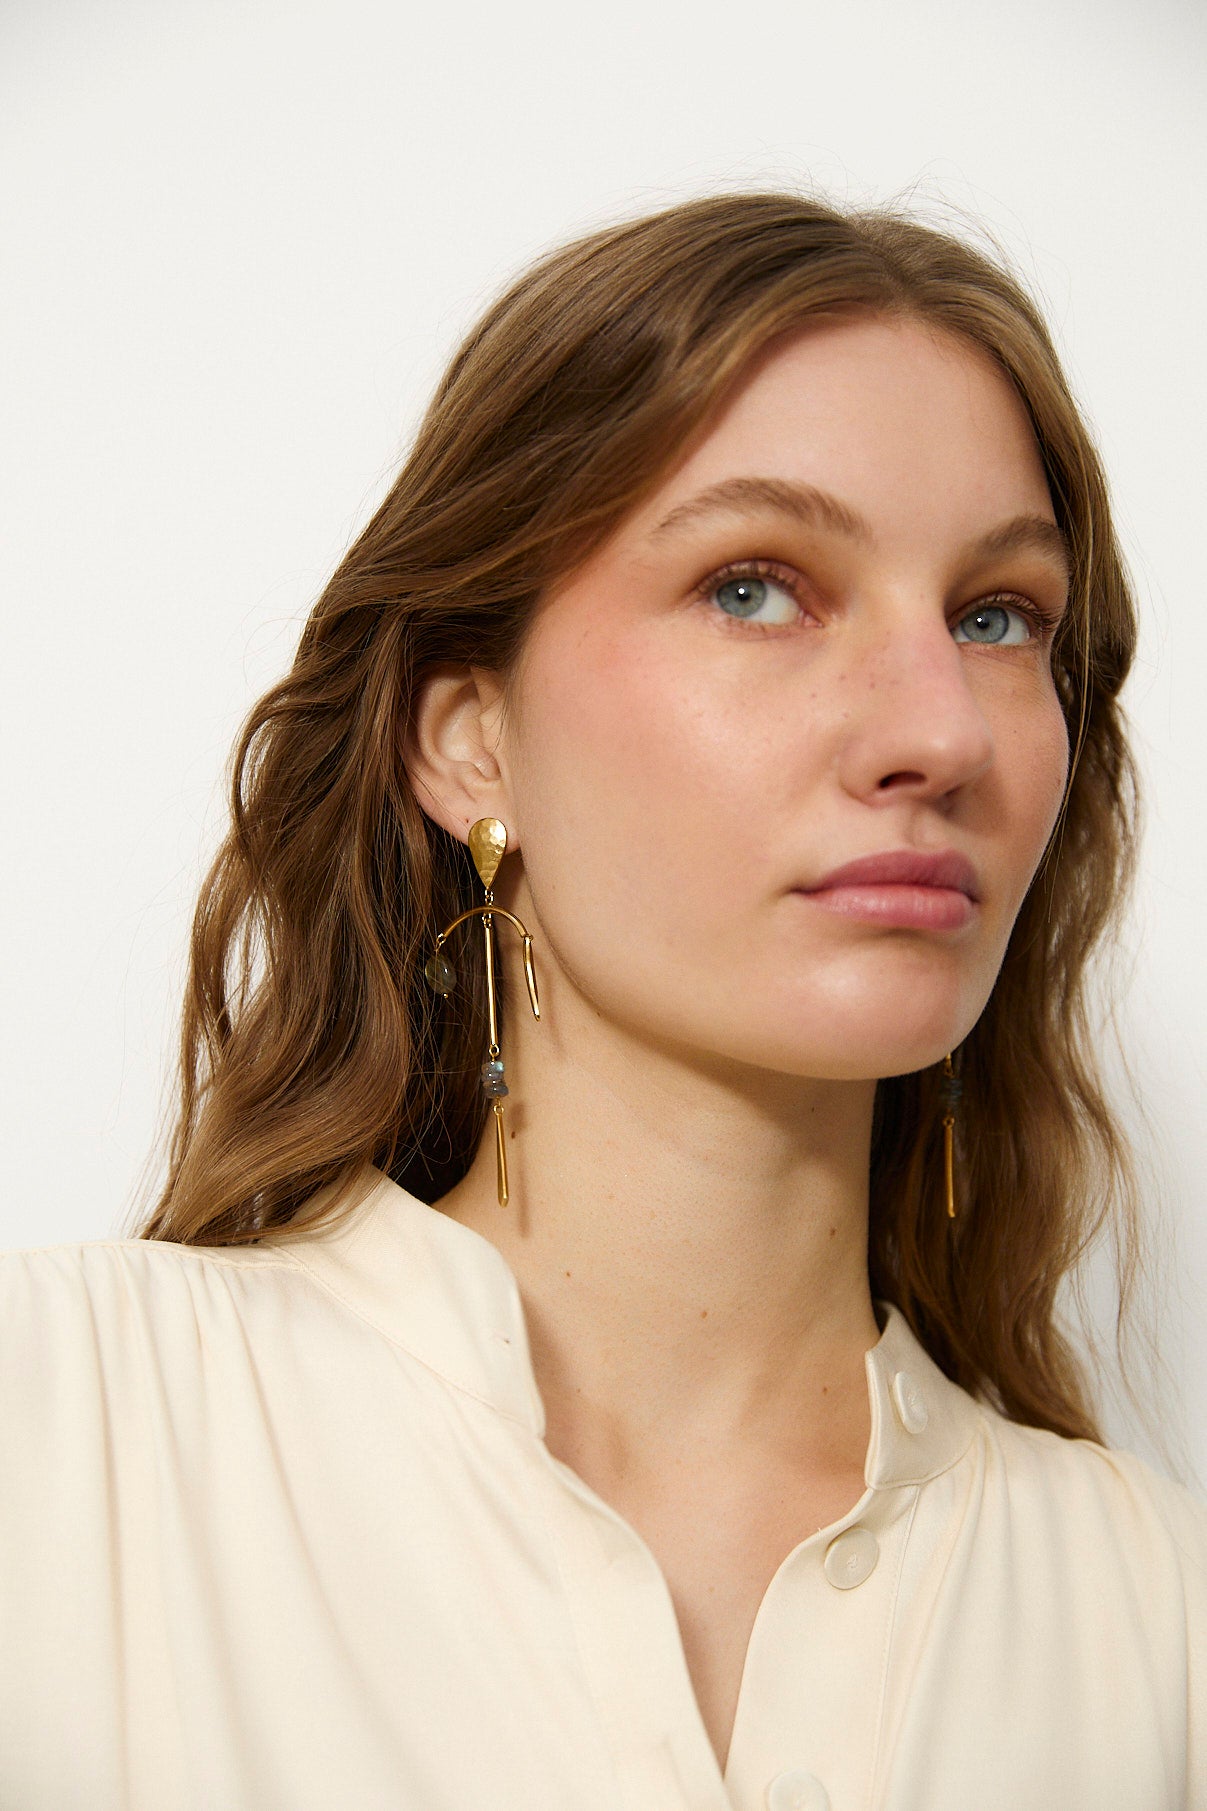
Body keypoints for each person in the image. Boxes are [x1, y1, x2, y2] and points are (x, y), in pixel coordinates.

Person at [2, 189, 1204, 1811]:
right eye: (756, 587)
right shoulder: (60, 1436)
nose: (942, 732)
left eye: (999, 618)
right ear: (468, 738)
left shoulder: (1156, 1618)